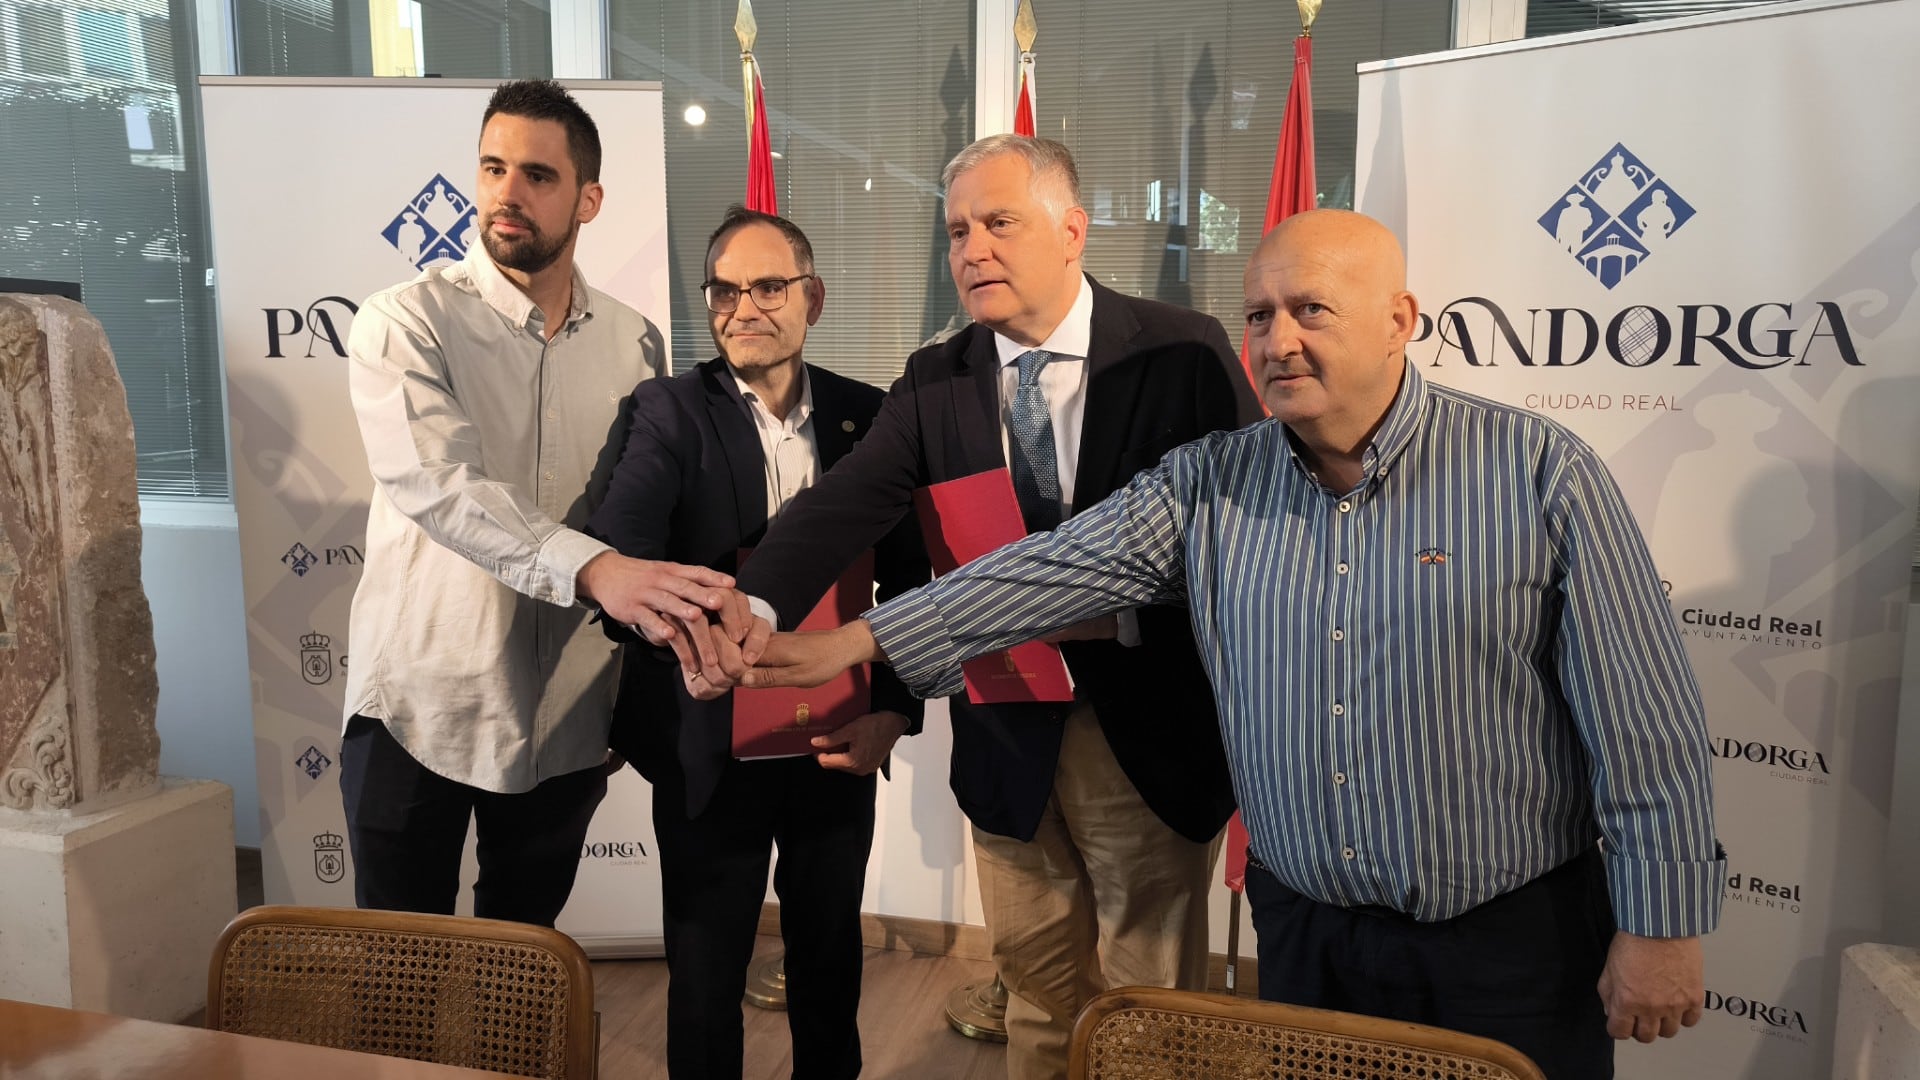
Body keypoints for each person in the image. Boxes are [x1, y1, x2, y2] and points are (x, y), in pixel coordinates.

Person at [743, 209, 1725, 1079]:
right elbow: (1040, 572)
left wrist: (1662, 924)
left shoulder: (1538, 472)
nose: (1278, 340)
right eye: (1259, 316)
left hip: (1510, 947)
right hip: (1306, 941)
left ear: (1400, 319)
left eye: (1311, 310)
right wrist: (862, 641)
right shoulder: (1207, 483)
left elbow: (1645, 722)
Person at [702, 134, 1260, 1079]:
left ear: (1072, 230)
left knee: (1147, 1006)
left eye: (1000, 223)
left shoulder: (1182, 352)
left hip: (1146, 730)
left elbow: (1248, 536)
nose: (973, 250)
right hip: (1007, 733)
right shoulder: (938, 376)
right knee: (1038, 991)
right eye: (958, 229)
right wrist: (754, 599)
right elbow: (846, 504)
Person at [339, 79, 746, 926]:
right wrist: (597, 570)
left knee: (520, 970)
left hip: (566, 709)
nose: (507, 194)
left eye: (537, 175)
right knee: (395, 974)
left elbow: (646, 507)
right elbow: (439, 483)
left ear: (588, 199)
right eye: (492, 169)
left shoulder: (637, 339)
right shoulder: (404, 320)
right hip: (422, 701)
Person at [585, 207, 929, 1079]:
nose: (745, 307)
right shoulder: (668, 410)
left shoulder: (871, 415)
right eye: (725, 290)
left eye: (769, 286)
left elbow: (915, 580)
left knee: (829, 964)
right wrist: (697, 650)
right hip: (707, 744)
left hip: (832, 742)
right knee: (704, 979)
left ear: (812, 297)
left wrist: (895, 712)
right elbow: (624, 549)